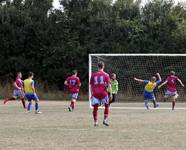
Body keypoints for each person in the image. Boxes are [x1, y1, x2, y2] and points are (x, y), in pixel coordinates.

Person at [90, 61, 112, 126]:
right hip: (103, 93)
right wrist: (110, 94)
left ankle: (95, 122)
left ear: (97, 66)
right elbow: (109, 85)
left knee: (95, 108)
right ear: (103, 66)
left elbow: (91, 85)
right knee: (107, 106)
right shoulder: (106, 75)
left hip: (95, 93)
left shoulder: (93, 75)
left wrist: (92, 94)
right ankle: (105, 120)